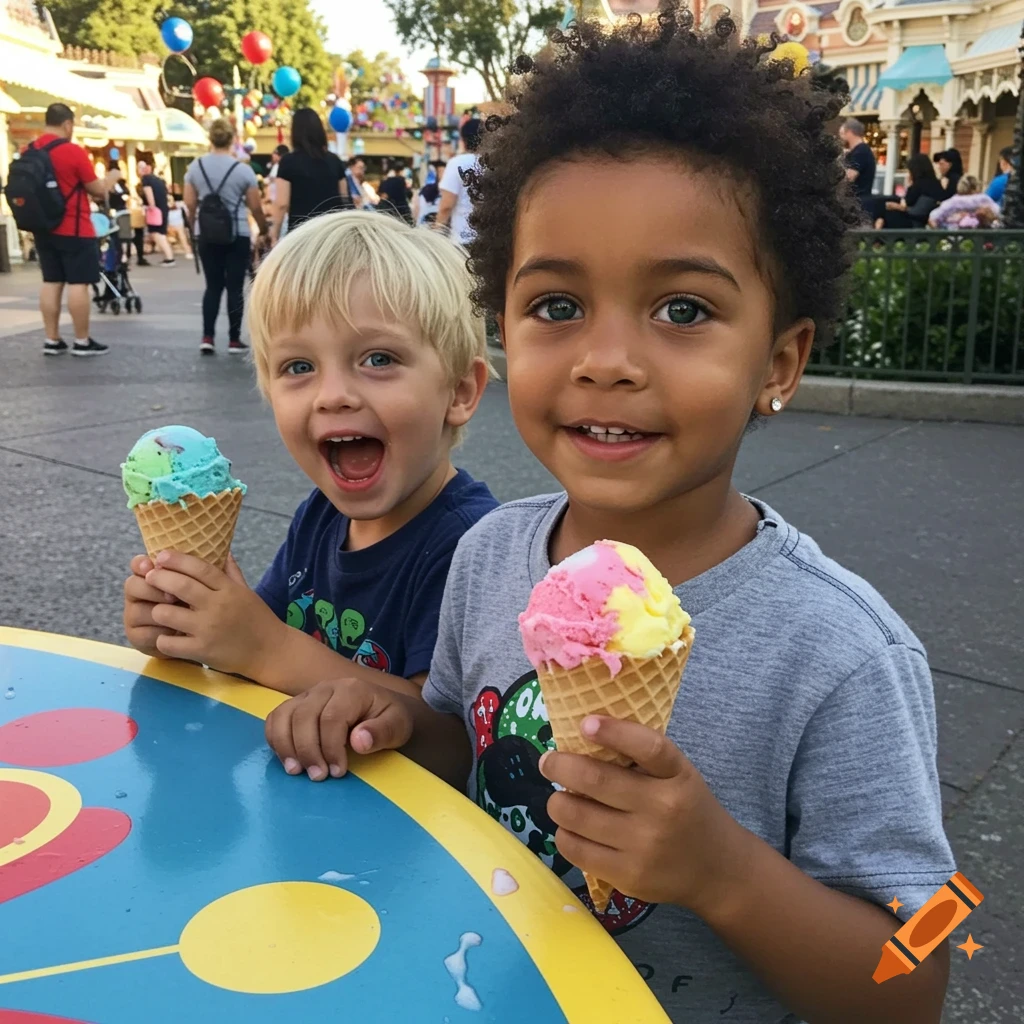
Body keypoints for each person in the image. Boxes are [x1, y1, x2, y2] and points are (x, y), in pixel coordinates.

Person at [263, 12, 956, 1024]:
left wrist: (721, 871)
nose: (606, 359)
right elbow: (466, 742)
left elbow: (924, 963)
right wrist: (398, 716)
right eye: (555, 305)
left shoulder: (844, 654)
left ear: (779, 361)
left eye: (682, 310)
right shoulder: (490, 552)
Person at [122, 211, 497, 703]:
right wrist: (190, 626)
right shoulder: (319, 516)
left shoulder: (473, 546)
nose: (332, 395)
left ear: (460, 391)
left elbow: (445, 737)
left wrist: (264, 648)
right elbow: (258, 637)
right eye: (299, 366)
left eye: (378, 359)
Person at [25, 103, 119, 356]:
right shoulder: (72, 151)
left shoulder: (29, 150)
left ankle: (52, 339)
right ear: (67, 124)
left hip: (43, 228)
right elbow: (97, 190)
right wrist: (112, 179)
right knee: (79, 283)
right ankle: (82, 340)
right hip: (74, 227)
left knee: (52, 281)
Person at [182, 118, 267, 354]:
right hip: (236, 233)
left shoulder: (195, 168)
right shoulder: (243, 170)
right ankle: (233, 338)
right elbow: (255, 206)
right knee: (234, 286)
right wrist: (263, 229)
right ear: (232, 140)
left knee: (212, 286)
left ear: (210, 139)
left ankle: (207, 337)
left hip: (207, 233)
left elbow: (189, 204)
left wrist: (192, 228)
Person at [269, 108, 348, 245]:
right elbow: (345, 198)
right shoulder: (335, 161)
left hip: (301, 234)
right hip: (332, 233)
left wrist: (274, 234)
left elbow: (282, 203)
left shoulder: (288, 162)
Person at [437, 117, 482, 244]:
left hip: (463, 240)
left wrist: (437, 232)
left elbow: (446, 206)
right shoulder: (495, 164)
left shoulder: (457, 164)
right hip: (489, 242)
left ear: (463, 139)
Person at [872, 153, 945, 229]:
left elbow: (905, 203)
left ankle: (875, 234)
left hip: (912, 221)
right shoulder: (936, 184)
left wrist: (908, 186)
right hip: (921, 219)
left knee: (882, 211)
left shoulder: (918, 185)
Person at [928, 175, 1002, 230]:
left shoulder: (951, 202)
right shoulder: (982, 200)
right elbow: (1000, 214)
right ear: (974, 188)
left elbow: (932, 219)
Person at [137, 159, 175, 266]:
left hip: (155, 210)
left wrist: (151, 207)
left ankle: (169, 257)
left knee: (156, 233)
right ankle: (168, 256)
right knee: (161, 232)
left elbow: (149, 195)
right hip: (164, 208)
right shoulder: (159, 180)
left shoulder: (146, 180)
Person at [838, 117, 876, 217]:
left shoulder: (861, 151)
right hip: (857, 203)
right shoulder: (857, 152)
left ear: (849, 133)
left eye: (842, 134)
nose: (840, 138)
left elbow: (850, 176)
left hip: (859, 204)